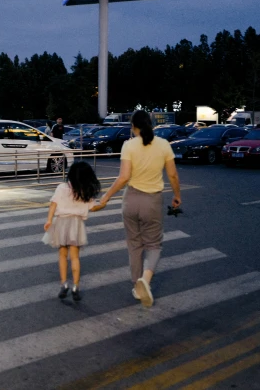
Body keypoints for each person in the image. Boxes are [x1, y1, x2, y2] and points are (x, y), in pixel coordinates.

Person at [92, 110, 182, 308]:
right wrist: (177, 196)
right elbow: (173, 175)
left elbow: (123, 177)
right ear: (150, 124)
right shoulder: (164, 145)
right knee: (154, 245)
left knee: (134, 245)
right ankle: (145, 280)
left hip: (130, 200)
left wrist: (105, 197)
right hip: (152, 202)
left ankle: (136, 285)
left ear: (133, 127)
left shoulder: (128, 146)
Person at [43, 161, 101, 301]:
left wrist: (49, 220)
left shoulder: (62, 187)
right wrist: (104, 203)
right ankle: (76, 286)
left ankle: (64, 284)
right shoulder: (84, 191)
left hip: (61, 222)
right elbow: (93, 207)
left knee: (62, 254)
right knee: (75, 256)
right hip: (76, 224)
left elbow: (53, 204)